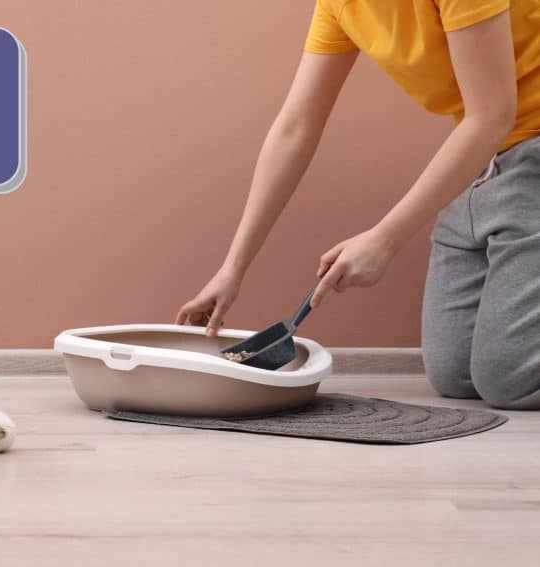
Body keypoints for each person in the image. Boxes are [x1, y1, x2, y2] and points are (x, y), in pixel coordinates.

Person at [176, 1, 540, 410]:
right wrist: (233, 268)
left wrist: (384, 240)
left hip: (530, 156)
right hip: (481, 171)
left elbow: (491, 116)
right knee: (454, 374)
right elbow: (295, 129)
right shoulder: (339, 5)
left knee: (508, 380)